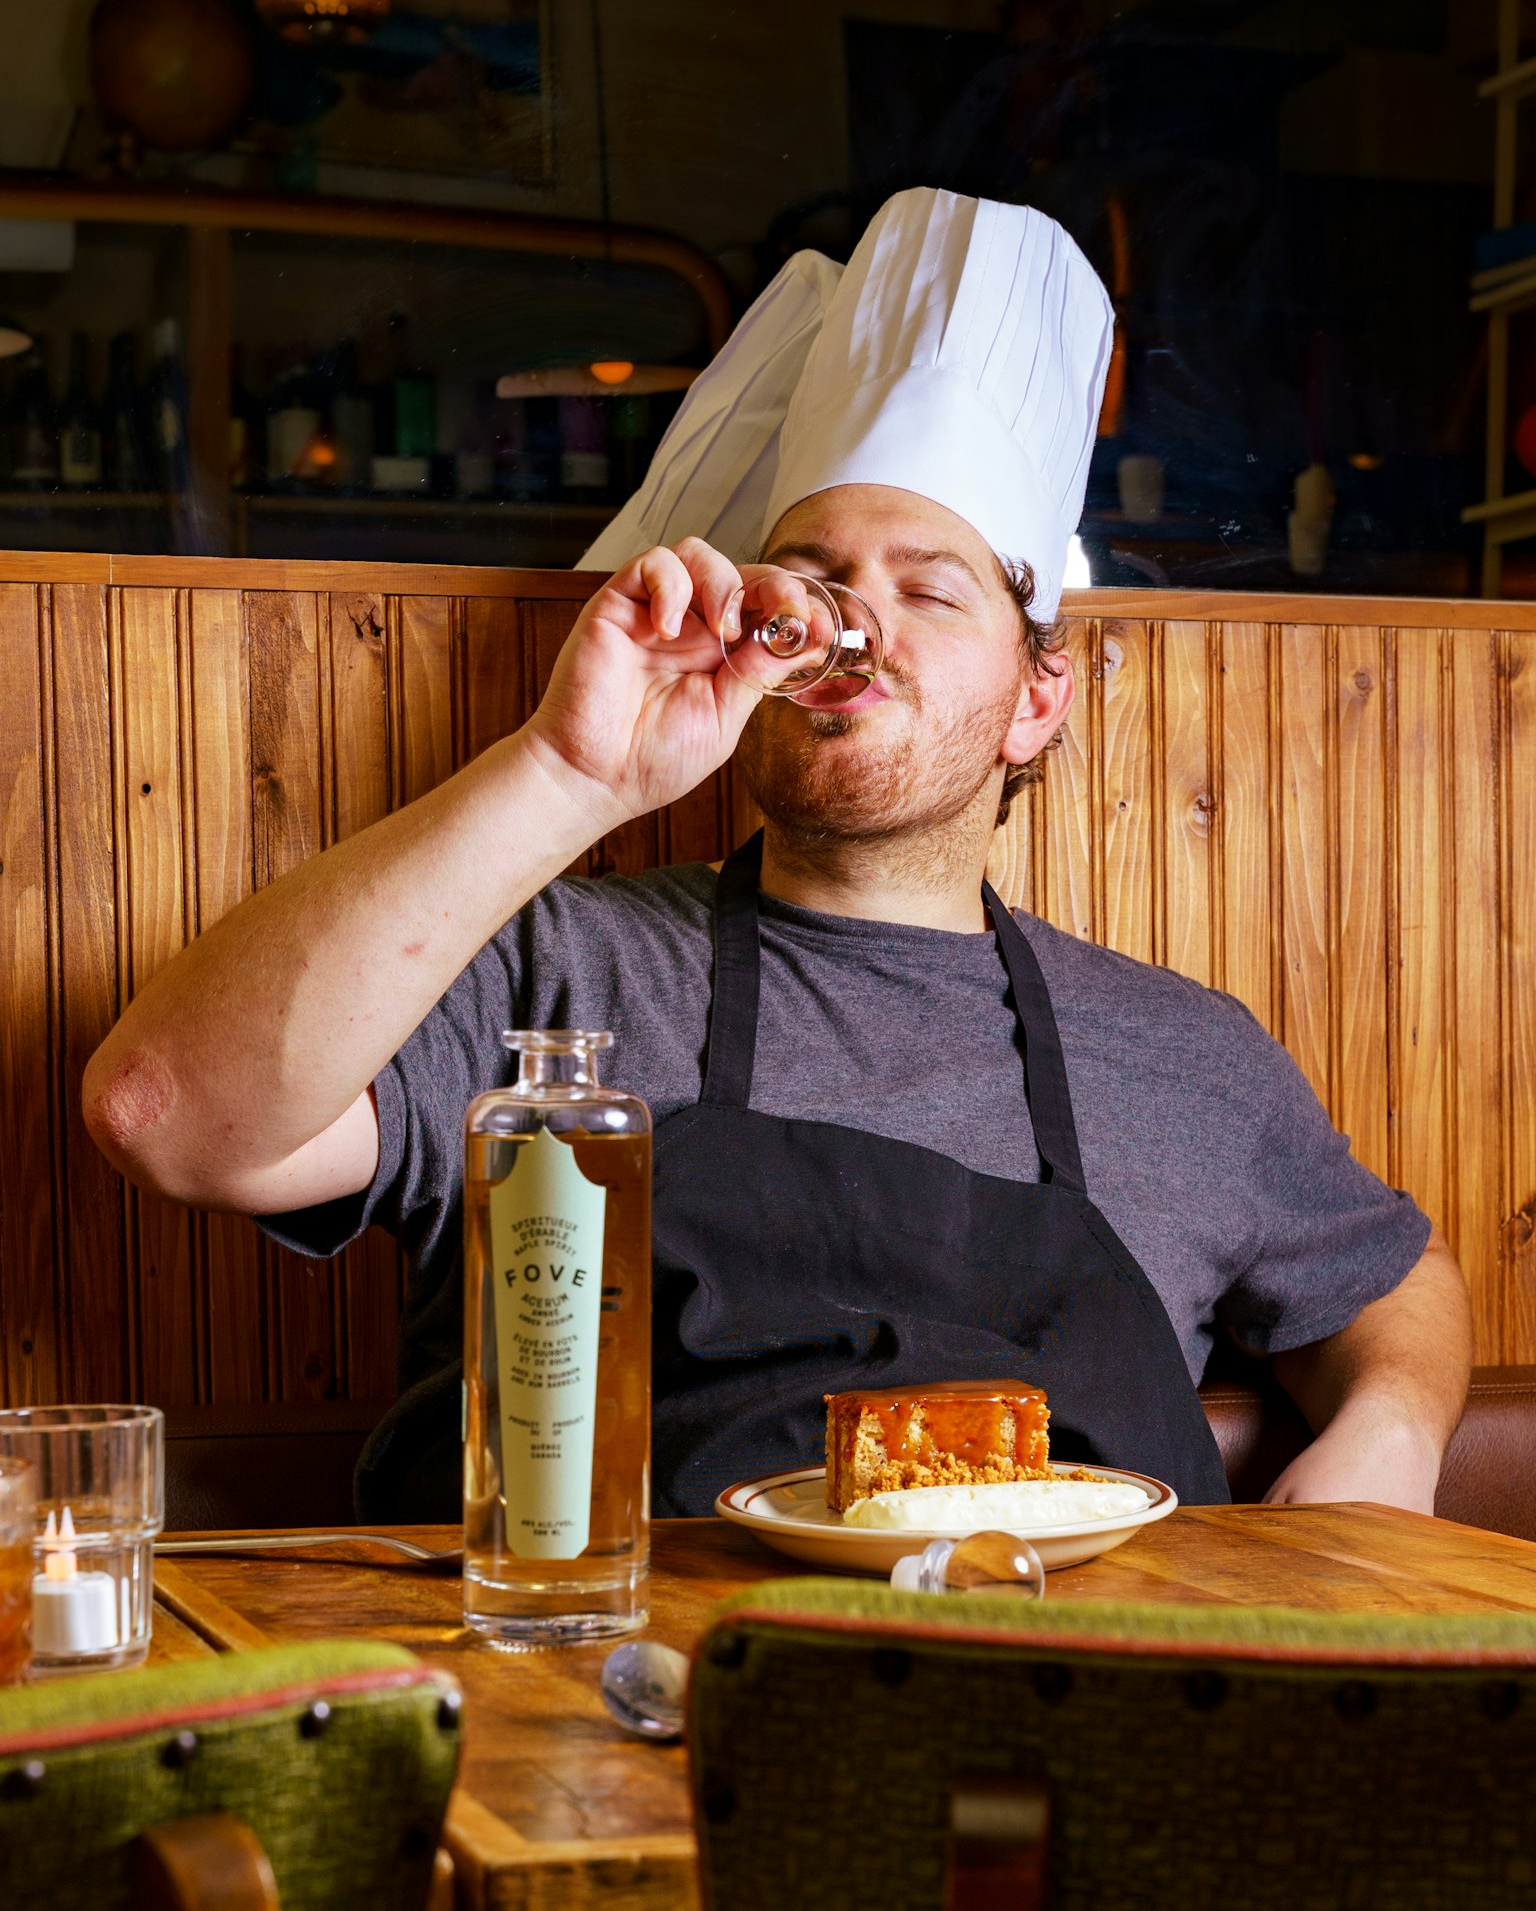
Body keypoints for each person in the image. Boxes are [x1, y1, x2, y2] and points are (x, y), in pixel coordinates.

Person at [82, 189, 1470, 1522]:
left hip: (1057, 1658)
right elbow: (165, 1117)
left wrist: (1396, 1428)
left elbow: (1389, 1278)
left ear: (1037, 699)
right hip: (619, 1666)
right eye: (812, 581)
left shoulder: (1186, 1059)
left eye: (929, 590)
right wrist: (570, 774)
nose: (851, 626)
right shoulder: (558, 972)